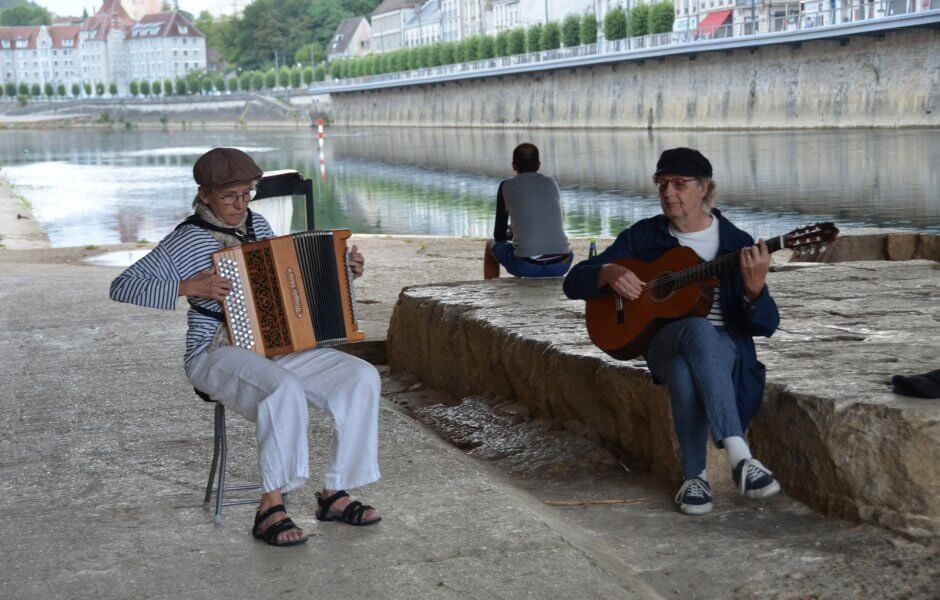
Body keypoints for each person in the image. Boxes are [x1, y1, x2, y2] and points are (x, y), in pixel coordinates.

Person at [110, 148, 381, 546]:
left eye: (247, 194)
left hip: (274, 344)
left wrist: (344, 272)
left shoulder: (261, 226)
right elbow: (122, 285)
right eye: (230, 197)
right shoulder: (185, 240)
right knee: (282, 388)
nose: (240, 205)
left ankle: (334, 494)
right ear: (204, 194)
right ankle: (270, 509)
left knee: (361, 376)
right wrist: (188, 286)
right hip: (213, 352)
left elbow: (291, 291)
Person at [563, 147, 781, 515]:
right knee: (693, 329)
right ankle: (740, 456)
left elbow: (767, 324)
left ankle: (694, 478)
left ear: (704, 188)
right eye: (661, 184)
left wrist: (756, 288)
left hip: (725, 347)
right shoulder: (644, 237)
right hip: (662, 342)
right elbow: (573, 283)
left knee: (686, 365)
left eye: (679, 184)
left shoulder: (736, 243)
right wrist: (607, 273)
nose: (668, 193)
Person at [484, 143, 573, 279]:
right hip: (562, 262)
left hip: (528, 266)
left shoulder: (506, 186)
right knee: (521, 251)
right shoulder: (551, 183)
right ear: (538, 165)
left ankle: (491, 289)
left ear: (513, 166)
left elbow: (499, 235)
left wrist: (513, 232)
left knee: (491, 245)